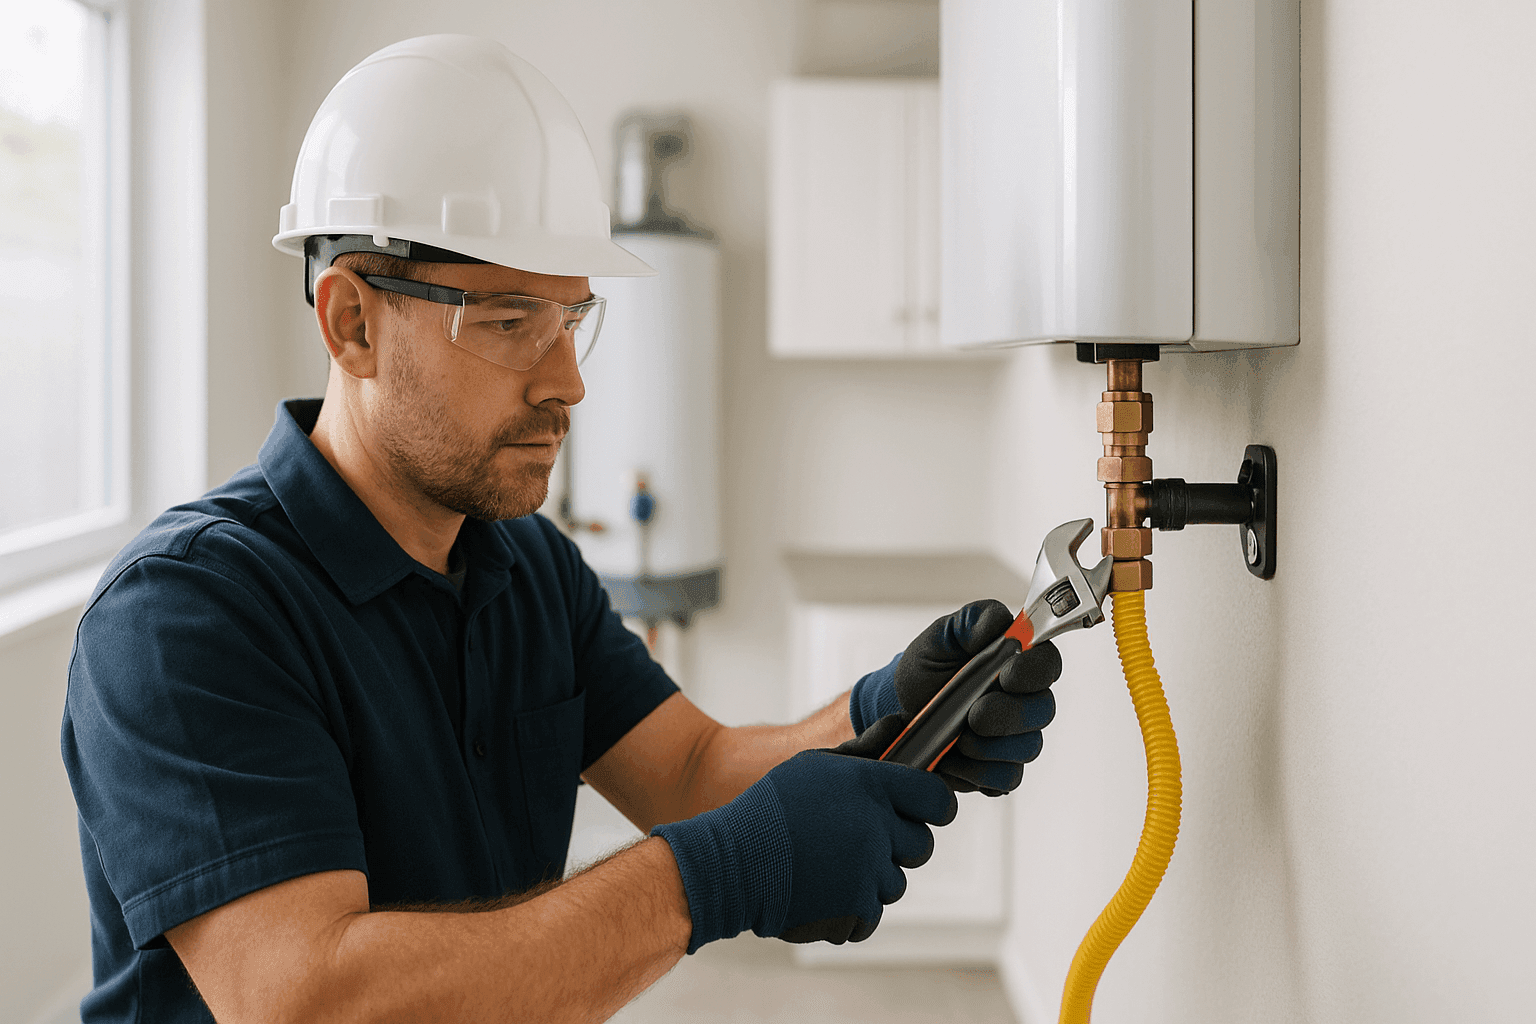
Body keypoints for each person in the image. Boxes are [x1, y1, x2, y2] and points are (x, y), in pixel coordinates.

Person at [61, 35, 1062, 1024]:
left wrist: (886, 712)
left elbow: (691, 770)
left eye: (572, 321)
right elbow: (314, 1002)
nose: (569, 382)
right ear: (352, 323)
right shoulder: (186, 614)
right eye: (509, 323)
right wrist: (709, 877)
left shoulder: (524, 563)